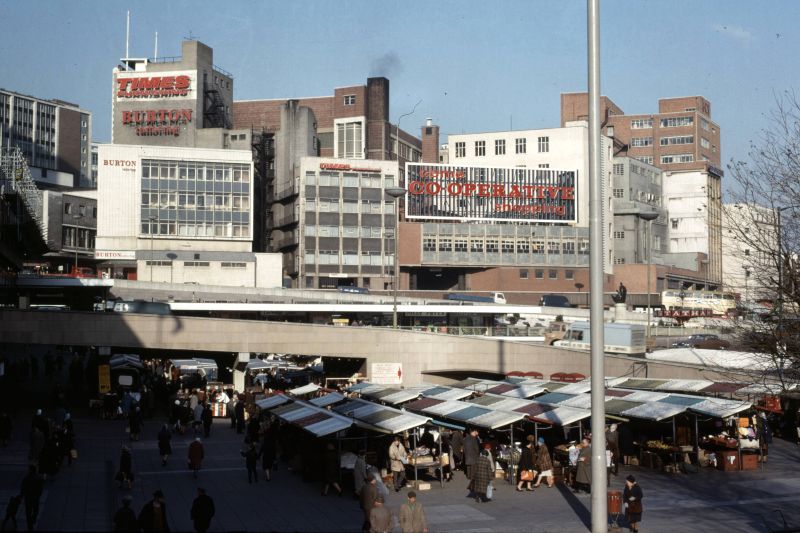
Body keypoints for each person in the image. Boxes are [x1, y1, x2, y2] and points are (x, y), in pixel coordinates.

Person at [20, 465, 43, 532]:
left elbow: (22, 488)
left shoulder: (26, 478)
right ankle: (32, 521)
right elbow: (40, 488)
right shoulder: (38, 478)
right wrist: (39, 494)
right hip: (35, 498)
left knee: (28, 512)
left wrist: (22, 496)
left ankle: (30, 526)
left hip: (28, 498)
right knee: (35, 510)